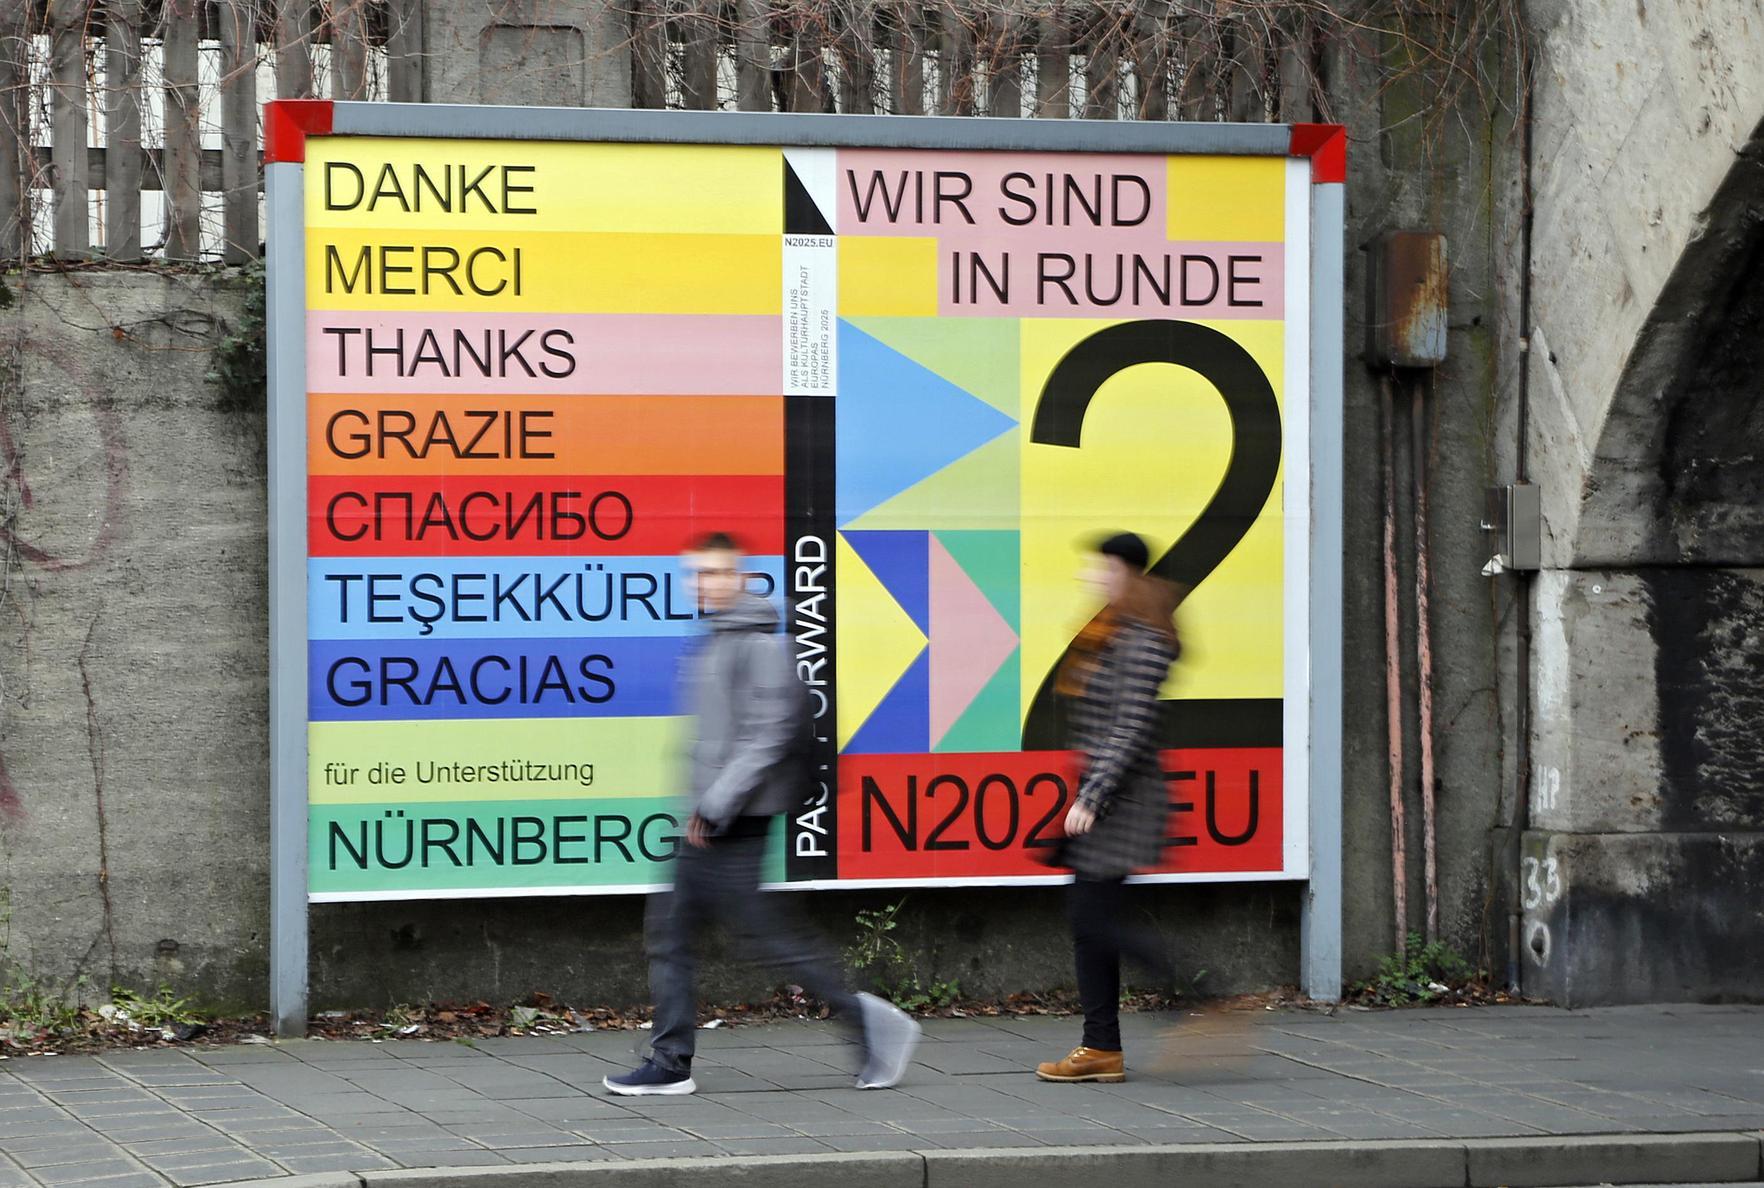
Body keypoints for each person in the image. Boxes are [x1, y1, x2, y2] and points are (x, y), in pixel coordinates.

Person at [604, 532, 921, 1096]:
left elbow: (767, 735)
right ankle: (671, 1061)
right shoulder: (714, 641)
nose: (704, 584)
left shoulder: (761, 647)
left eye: (716, 572)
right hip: (706, 820)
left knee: (767, 940)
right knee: (672, 934)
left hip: (734, 820)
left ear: (742, 578)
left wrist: (716, 804)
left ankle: (868, 1022)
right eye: (696, 574)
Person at [1035, 532, 1182, 1084]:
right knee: (1091, 919)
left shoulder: (1141, 639)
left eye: (1106, 568)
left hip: (1124, 800)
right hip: (1109, 794)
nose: (1095, 577)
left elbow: (1130, 726)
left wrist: (1092, 797)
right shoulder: (1116, 629)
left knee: (1091, 918)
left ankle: (1196, 997)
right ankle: (1102, 1046)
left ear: (1129, 574)